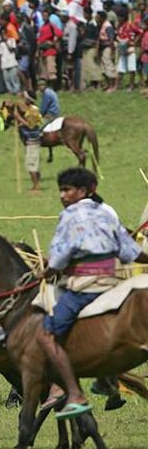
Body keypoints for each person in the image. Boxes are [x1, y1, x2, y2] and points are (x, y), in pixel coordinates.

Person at [40, 167, 148, 420]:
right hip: (113, 282)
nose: (63, 195)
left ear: (85, 190)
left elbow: (60, 256)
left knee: (47, 335)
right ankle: (103, 379)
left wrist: (46, 271)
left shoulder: (69, 215)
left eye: (67, 190)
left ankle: (73, 393)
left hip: (84, 286)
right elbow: (129, 251)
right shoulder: (107, 212)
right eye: (61, 190)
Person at [13, 93, 44, 192]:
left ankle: (37, 186)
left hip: (33, 142)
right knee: (30, 164)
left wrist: (18, 118)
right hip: (29, 141)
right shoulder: (28, 111)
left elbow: (31, 125)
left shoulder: (33, 111)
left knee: (31, 164)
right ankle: (35, 185)